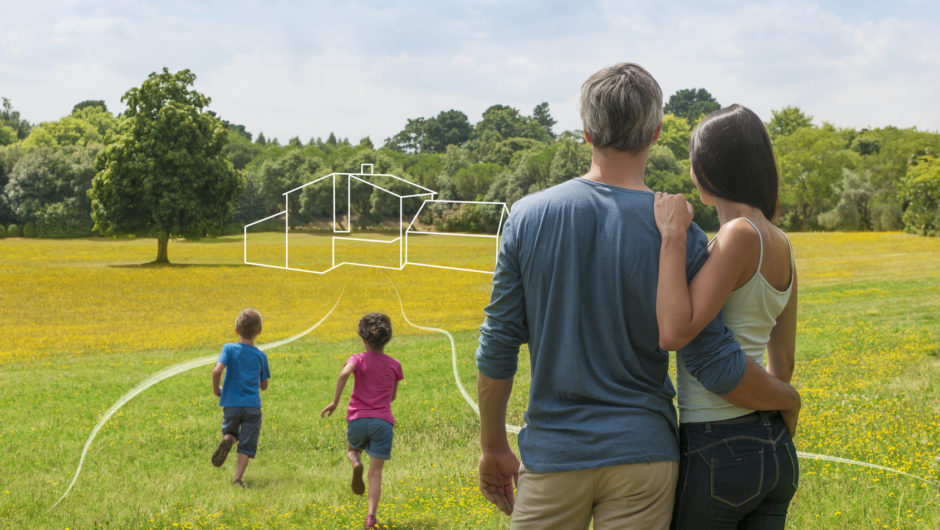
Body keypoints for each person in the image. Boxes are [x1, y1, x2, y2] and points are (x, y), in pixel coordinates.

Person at [475, 62, 801, 529]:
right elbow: (710, 357)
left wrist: (492, 447)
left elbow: (498, 343)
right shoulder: (682, 232)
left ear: (586, 132)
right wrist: (786, 398)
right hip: (645, 456)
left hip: (553, 453)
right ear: (656, 132)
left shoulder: (527, 217)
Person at [654, 104, 799, 529]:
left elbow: (677, 330)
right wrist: (776, 410)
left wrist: (672, 236)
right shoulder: (782, 242)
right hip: (774, 448)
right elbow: (783, 364)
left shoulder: (738, 235)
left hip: (718, 445)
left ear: (706, 169)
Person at [321, 312, 403, 530]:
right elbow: (392, 396)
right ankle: (370, 518)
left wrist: (335, 402)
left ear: (364, 340)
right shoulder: (395, 364)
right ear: (387, 339)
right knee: (375, 473)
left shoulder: (357, 359)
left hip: (357, 419)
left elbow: (343, 374)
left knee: (352, 450)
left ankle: (355, 462)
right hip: (383, 422)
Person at [211, 308, 271, 488]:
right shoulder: (261, 356)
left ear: (237, 330)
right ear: (259, 331)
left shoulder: (229, 348)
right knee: (246, 443)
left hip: (231, 404)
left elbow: (216, 370)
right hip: (252, 407)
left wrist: (216, 389)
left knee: (231, 432)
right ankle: (237, 479)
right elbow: (264, 385)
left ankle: (229, 438)